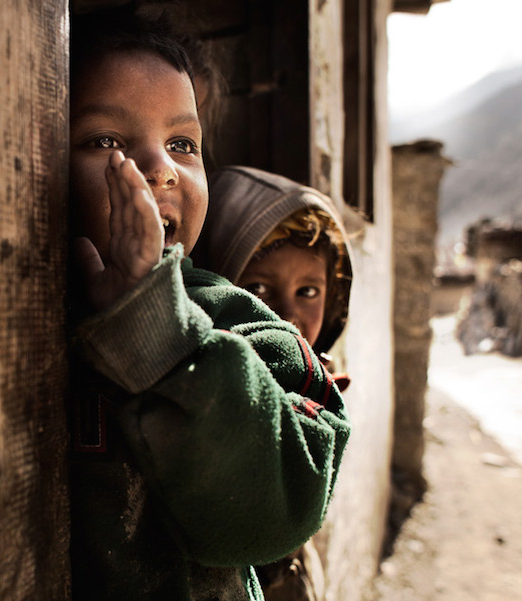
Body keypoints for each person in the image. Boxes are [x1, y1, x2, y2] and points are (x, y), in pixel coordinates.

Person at [68, 7, 350, 600]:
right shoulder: (24, 316)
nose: (160, 169)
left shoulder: (235, 320)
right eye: (106, 141)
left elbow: (278, 514)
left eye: (182, 143)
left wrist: (157, 334)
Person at [193, 165, 356, 600]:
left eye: (308, 291)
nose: (287, 316)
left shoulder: (317, 381)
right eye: (259, 289)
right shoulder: (205, 390)